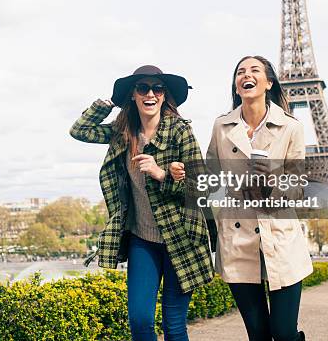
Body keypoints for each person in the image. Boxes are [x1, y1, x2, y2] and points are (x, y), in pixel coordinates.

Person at [171, 56, 312, 341]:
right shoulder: (222, 127)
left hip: (280, 235)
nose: (246, 75)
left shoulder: (291, 127)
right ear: (237, 86)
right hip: (238, 237)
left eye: (254, 70)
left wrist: (273, 181)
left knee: (284, 333)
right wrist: (181, 172)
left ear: (269, 82)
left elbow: (298, 187)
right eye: (240, 72)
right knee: (258, 334)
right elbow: (208, 175)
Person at [70, 65, 214, 341]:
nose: (150, 93)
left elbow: (202, 189)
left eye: (157, 88)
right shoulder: (122, 133)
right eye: (142, 88)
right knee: (139, 320)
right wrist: (113, 100)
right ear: (133, 95)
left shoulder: (180, 132)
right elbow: (79, 130)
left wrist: (161, 174)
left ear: (164, 95)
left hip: (181, 237)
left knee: (174, 326)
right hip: (142, 239)